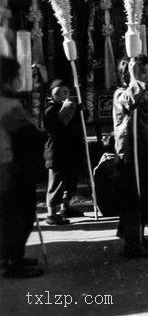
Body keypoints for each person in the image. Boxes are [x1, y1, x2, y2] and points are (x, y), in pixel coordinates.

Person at [113, 55, 148, 257]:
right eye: (138, 70)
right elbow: (129, 103)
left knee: (147, 196)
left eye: (145, 70)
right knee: (132, 198)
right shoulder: (121, 93)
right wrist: (135, 81)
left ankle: (140, 236)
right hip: (132, 153)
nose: (143, 74)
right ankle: (131, 242)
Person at [0, 57, 45, 278]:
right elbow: (23, 134)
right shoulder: (6, 104)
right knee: (19, 215)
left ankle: (14, 256)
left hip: (10, 164)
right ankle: (11, 261)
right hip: (10, 166)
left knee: (13, 214)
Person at [43, 79, 84, 225]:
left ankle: (65, 208)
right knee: (56, 183)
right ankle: (51, 214)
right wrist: (67, 108)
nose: (63, 96)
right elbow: (58, 124)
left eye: (66, 92)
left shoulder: (71, 106)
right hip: (57, 152)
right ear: (52, 95)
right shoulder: (50, 109)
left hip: (71, 150)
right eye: (58, 93)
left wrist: (80, 111)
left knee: (70, 181)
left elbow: (79, 123)